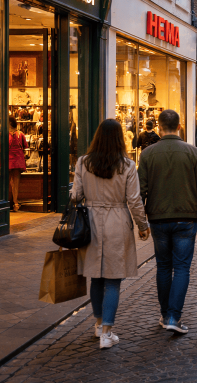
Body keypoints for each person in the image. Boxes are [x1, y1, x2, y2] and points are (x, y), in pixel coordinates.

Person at [70, 119, 149, 349]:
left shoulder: (83, 162)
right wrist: (142, 225)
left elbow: (75, 195)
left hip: (91, 222)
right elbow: (134, 199)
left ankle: (97, 325)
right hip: (117, 221)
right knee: (113, 279)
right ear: (120, 139)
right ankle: (107, 332)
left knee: (96, 277)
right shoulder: (127, 165)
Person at [138, 110, 197, 334]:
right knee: (181, 267)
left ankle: (166, 315)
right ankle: (173, 316)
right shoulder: (193, 152)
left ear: (159, 128)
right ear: (179, 127)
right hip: (186, 217)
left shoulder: (147, 154)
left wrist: (141, 222)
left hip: (158, 218)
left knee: (163, 266)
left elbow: (140, 191)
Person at [0, 115, 27, 211]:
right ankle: (15, 203)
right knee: (15, 183)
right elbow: (25, 147)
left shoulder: (1, 134)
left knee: (5, 183)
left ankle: (5, 203)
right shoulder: (20, 134)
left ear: (9, 123)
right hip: (18, 161)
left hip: (7, 161)